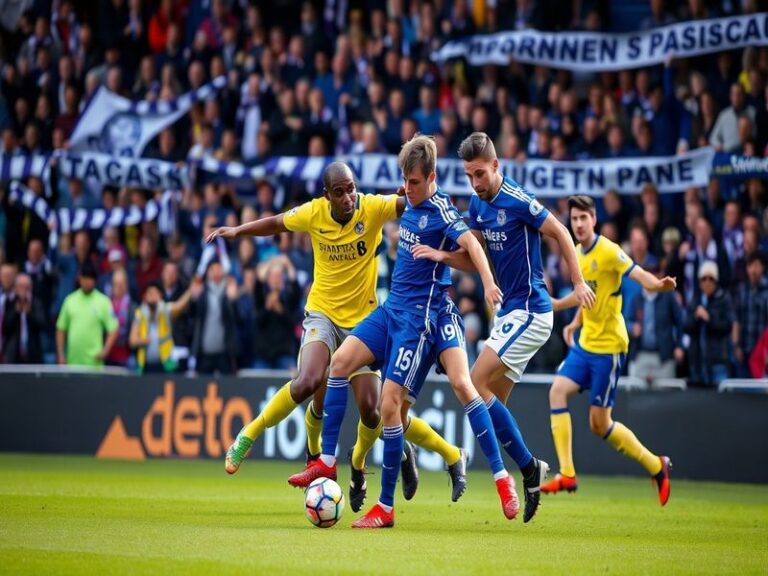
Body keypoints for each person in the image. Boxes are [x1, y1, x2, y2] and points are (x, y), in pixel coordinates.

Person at [291, 136, 521, 528]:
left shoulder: (441, 210)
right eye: (405, 181)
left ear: (430, 178)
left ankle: (488, 480)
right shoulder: (409, 203)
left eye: (414, 182)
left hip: (419, 318)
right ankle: (326, 463)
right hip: (391, 309)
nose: (407, 189)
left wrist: (485, 282)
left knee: (392, 404)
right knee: (340, 363)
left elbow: (473, 247)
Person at [207, 163, 465, 502]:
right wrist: (237, 231)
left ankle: (361, 464)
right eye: (339, 192)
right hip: (323, 314)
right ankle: (249, 434)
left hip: (363, 323)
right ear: (327, 196)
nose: (348, 197)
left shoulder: (372, 207)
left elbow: (415, 202)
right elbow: (275, 223)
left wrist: (414, 193)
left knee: (374, 410)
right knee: (309, 381)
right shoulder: (313, 214)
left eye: (351, 188)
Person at [411, 131, 595, 521]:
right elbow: (473, 258)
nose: (475, 183)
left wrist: (577, 281)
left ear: (496, 165)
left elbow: (560, 231)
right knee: (492, 403)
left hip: (530, 310)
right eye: (468, 176)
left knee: (474, 384)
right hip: (509, 313)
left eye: (480, 174)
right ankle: (531, 471)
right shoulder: (478, 205)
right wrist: (440, 255)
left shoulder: (518, 200)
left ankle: (529, 468)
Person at [541, 195, 675, 506]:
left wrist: (657, 285)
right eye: (573, 219)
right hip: (586, 344)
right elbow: (587, 293)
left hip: (609, 349)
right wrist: (568, 313)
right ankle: (568, 474)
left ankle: (657, 465)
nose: (578, 224)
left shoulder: (610, 251)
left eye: (583, 218)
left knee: (599, 423)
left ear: (594, 219)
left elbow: (639, 275)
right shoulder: (576, 253)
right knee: (556, 392)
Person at [56, 261, 119, 367]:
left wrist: (105, 351)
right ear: (80, 278)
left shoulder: (103, 301)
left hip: (95, 365)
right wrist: (61, 355)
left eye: (91, 278)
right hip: (72, 364)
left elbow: (113, 329)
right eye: (85, 278)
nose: (88, 282)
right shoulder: (70, 301)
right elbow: (61, 328)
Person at [130, 279, 199, 374]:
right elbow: (132, 341)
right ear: (145, 296)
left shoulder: (165, 310)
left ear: (160, 296)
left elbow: (179, 306)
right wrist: (142, 340)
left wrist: (190, 290)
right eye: (150, 293)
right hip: (145, 364)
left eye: (155, 293)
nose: (152, 296)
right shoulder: (140, 314)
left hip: (165, 363)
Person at [684, 261, 734, 388]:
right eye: (703, 279)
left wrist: (709, 318)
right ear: (699, 282)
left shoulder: (724, 298)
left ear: (716, 281)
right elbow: (685, 327)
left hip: (717, 361)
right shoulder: (695, 300)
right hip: (697, 361)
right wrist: (696, 317)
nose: (707, 282)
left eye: (711, 278)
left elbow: (728, 326)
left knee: (720, 402)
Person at [2, 273, 45, 364]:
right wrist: (16, 312)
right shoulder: (9, 302)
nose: (24, 290)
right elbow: (5, 328)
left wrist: (29, 313)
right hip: (13, 353)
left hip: (33, 352)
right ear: (16, 288)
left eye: (27, 287)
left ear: (31, 288)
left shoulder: (36, 303)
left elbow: (42, 325)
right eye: (21, 286)